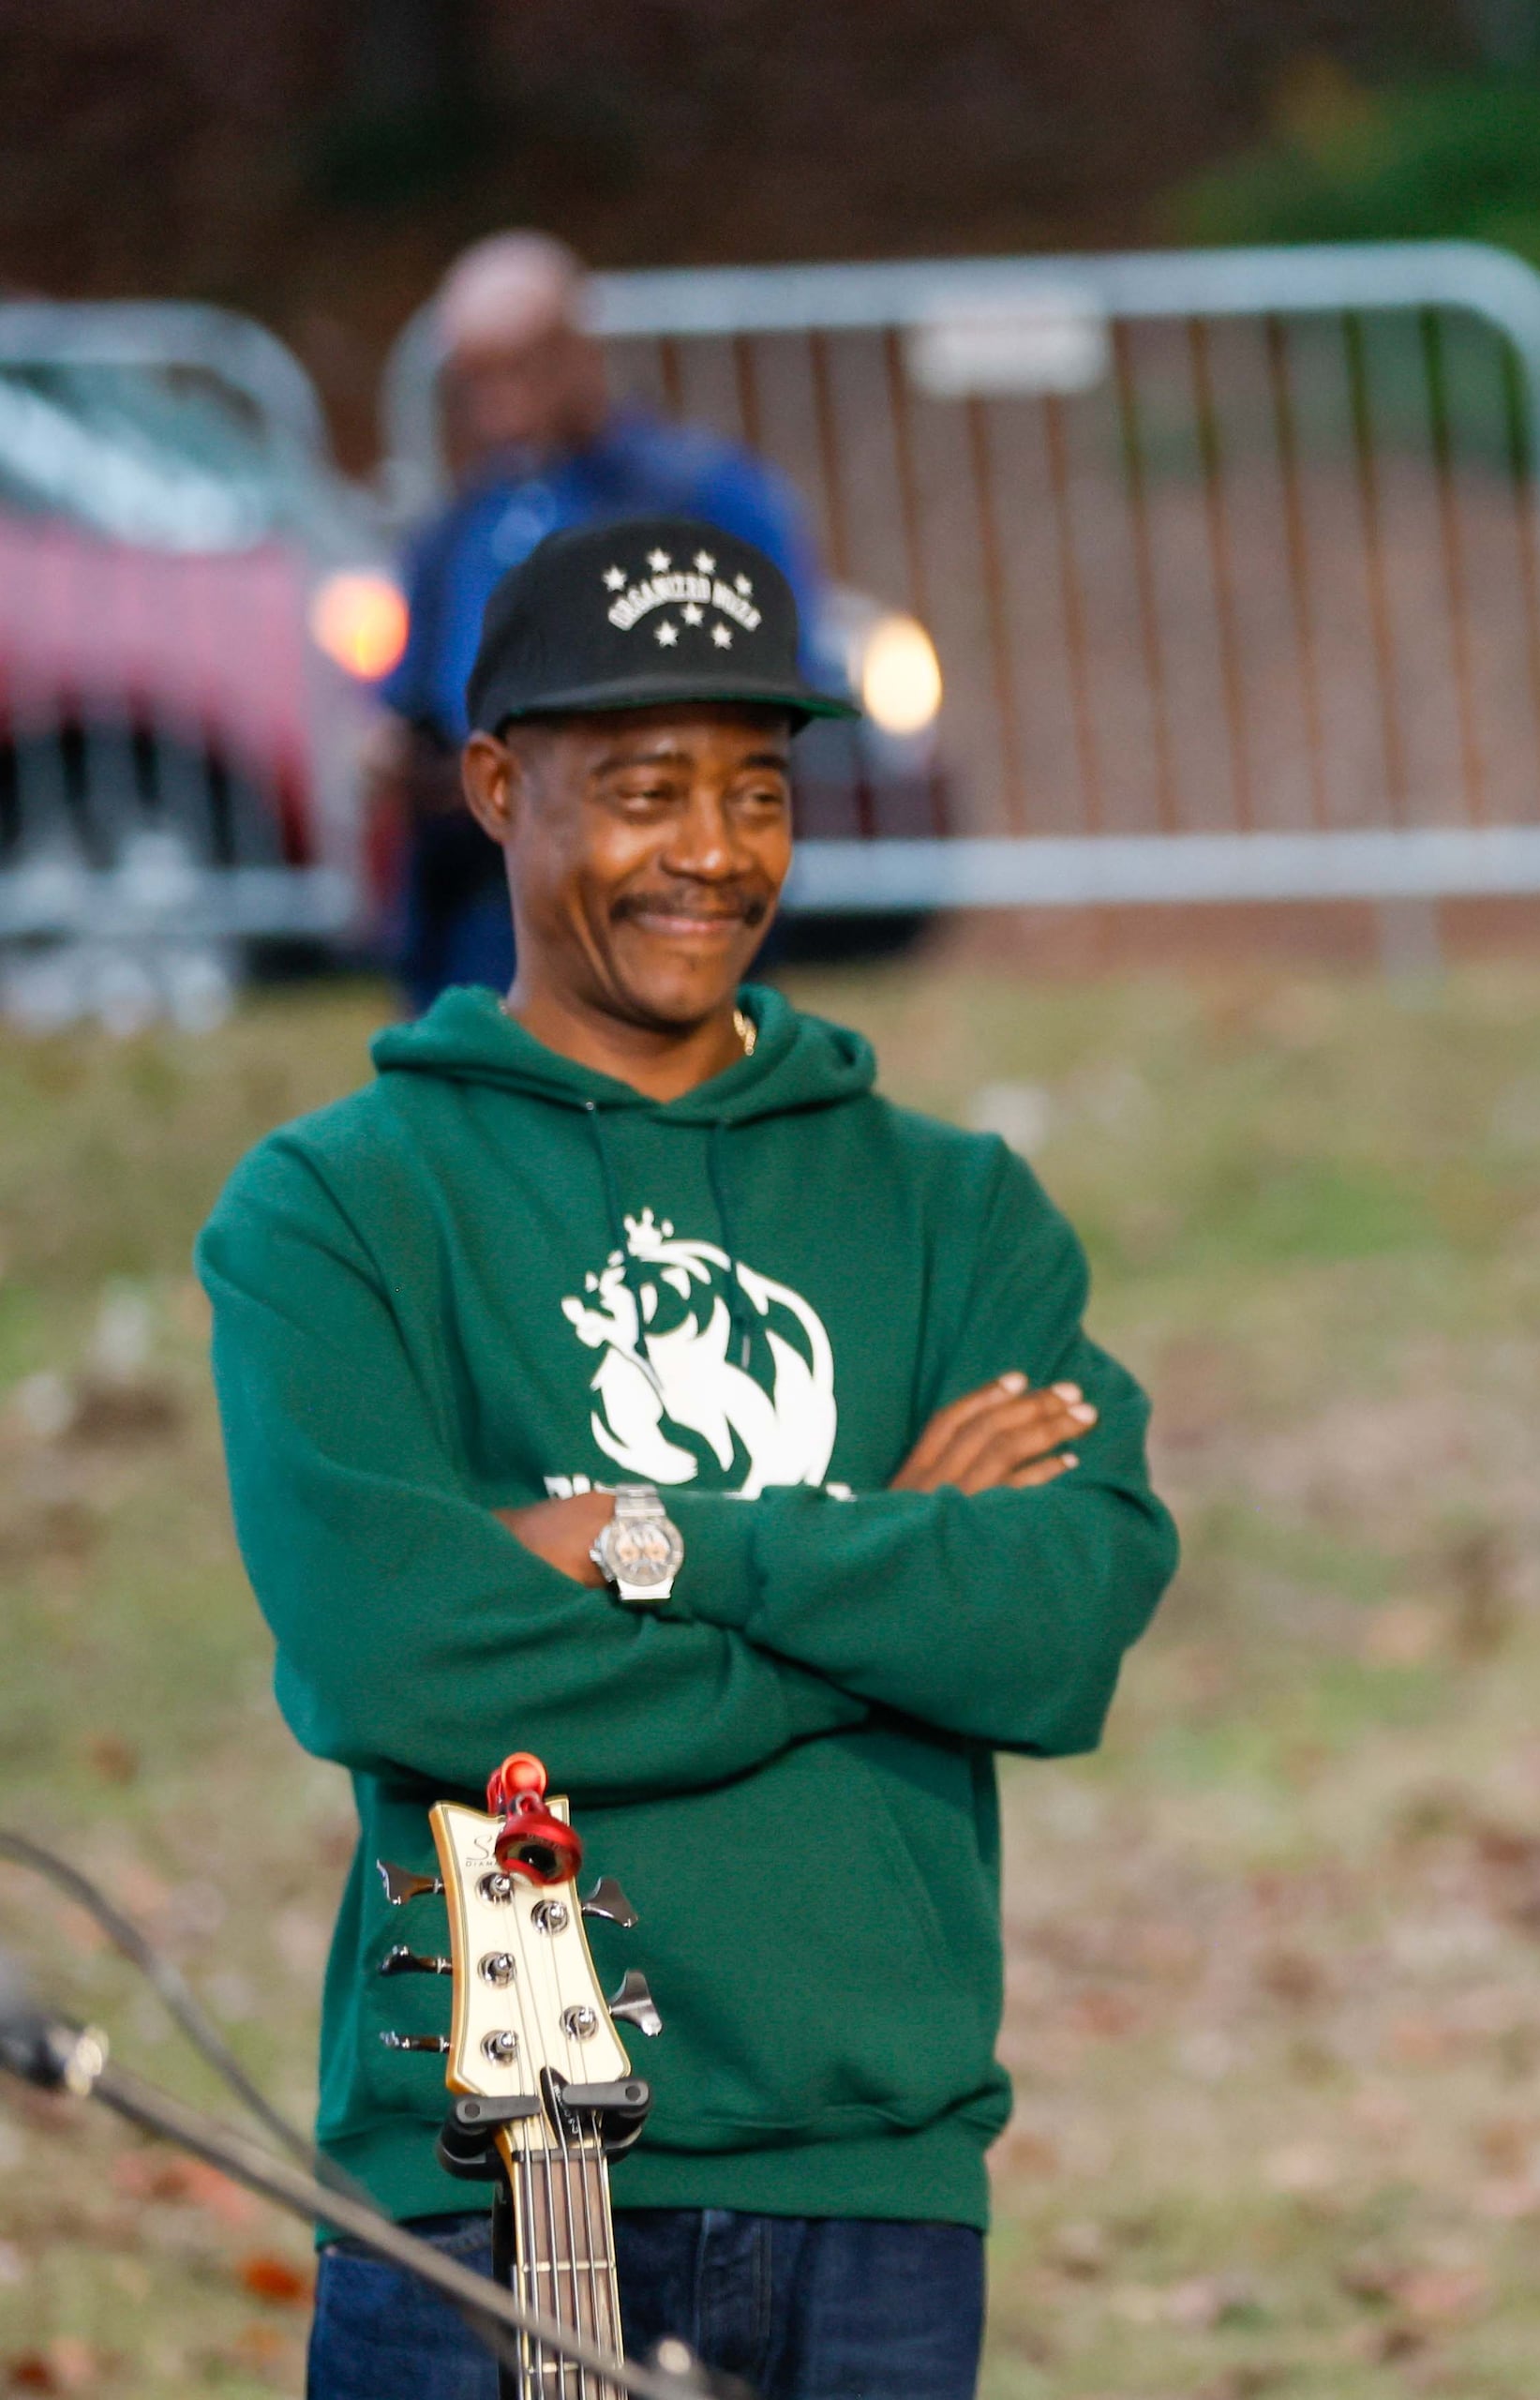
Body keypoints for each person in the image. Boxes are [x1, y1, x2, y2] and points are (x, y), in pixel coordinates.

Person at [201, 515, 1174, 2397]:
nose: (714, 850)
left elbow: (1058, 1624)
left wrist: (661, 1545)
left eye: (757, 787)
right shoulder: (333, 1209)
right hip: (482, 2171)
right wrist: (889, 1565)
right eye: (646, 789)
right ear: (496, 787)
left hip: (872, 2172)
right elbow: (396, 1652)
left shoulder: (954, 1210)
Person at [372, 231, 828, 1008]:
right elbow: (408, 701)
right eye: (475, 382)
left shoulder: (700, 497)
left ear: (576, 350)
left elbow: (788, 678)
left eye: (518, 370)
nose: (496, 408)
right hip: (489, 882)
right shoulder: (459, 526)